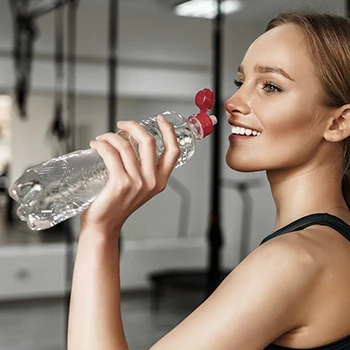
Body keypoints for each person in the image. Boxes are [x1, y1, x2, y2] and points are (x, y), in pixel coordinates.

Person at [67, 11, 350, 350]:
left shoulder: (291, 261)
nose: (232, 103)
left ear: (338, 123)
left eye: (270, 86)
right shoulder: (334, 243)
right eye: (239, 83)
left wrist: (99, 231)